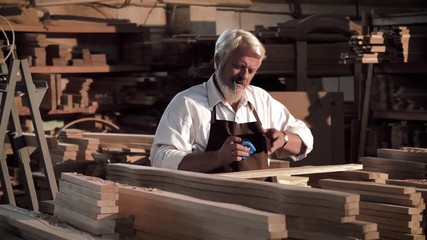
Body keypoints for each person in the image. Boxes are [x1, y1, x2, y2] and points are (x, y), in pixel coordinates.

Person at [149, 28, 313, 174]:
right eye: (238, 66)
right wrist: (217, 158)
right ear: (218, 60)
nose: (244, 76)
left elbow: (305, 140)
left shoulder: (262, 100)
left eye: (251, 71)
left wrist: (283, 139)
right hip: (207, 202)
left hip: (258, 200)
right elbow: (160, 158)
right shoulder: (187, 103)